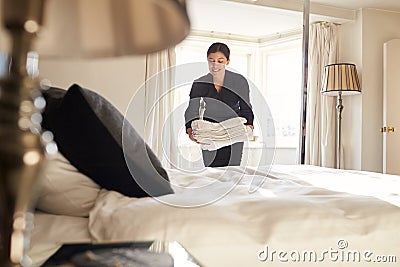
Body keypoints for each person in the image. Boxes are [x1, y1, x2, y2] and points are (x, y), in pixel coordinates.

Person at [184, 42, 254, 167]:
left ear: (227, 61)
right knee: (211, 171)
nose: (215, 65)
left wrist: (249, 126)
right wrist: (189, 129)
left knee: (232, 171)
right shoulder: (200, 83)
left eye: (220, 61)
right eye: (211, 60)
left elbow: (246, 107)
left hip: (233, 130)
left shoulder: (239, 81)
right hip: (209, 131)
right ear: (207, 60)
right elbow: (192, 109)